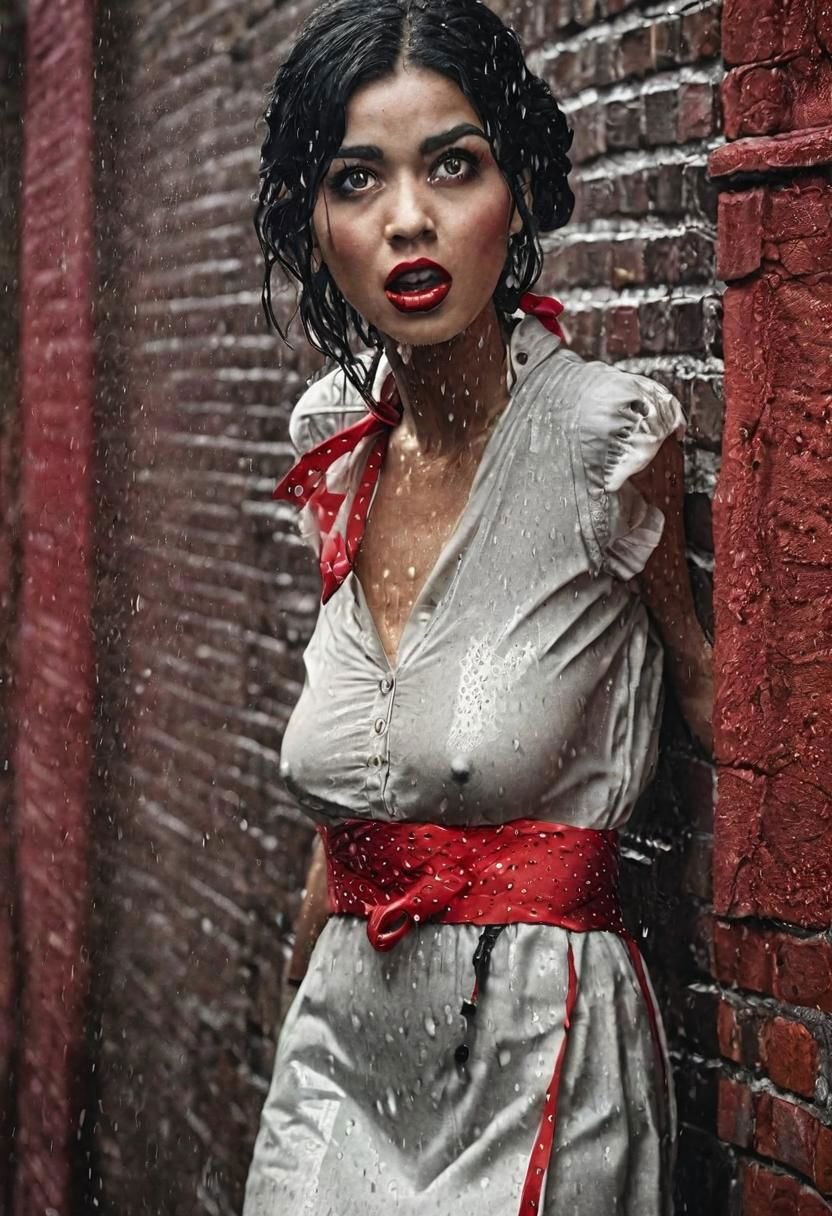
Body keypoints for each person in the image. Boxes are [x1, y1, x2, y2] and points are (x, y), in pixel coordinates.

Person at [243, 0, 713, 1212]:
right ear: (317, 219)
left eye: (453, 166)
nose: (409, 219)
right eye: (359, 179)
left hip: (534, 1060)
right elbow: (360, 808)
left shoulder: (607, 443)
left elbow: (718, 705)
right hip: (337, 1064)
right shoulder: (336, 453)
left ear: (517, 189)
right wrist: (284, 1040)